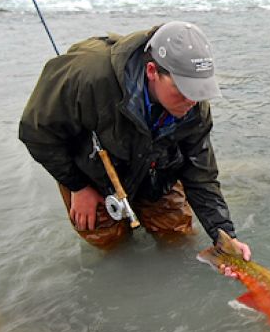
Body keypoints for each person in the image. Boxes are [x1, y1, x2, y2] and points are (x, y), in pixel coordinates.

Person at [18, 21, 251, 259]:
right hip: (92, 173)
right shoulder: (87, 77)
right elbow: (36, 133)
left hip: (155, 168)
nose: (192, 99)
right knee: (110, 244)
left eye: (200, 89)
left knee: (177, 236)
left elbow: (200, 173)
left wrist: (225, 237)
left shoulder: (194, 103)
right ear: (152, 71)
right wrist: (78, 186)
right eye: (184, 88)